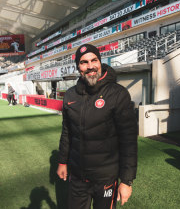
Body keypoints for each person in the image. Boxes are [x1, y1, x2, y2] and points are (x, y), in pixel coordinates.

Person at [57, 44, 138, 209]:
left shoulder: (118, 93)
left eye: (94, 60)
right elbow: (67, 132)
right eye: (84, 62)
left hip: (106, 178)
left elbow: (128, 140)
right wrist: (62, 161)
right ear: (78, 67)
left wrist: (126, 181)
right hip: (78, 176)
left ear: (100, 62)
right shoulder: (71, 95)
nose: (90, 66)